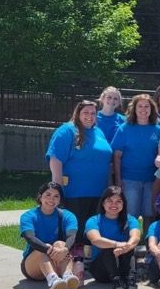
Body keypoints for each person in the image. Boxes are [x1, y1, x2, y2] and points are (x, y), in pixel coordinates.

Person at [46, 99, 113, 260]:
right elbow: (55, 159)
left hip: (98, 192)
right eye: (85, 113)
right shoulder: (67, 131)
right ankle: (72, 263)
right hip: (74, 192)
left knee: (91, 230)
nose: (89, 116)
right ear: (77, 113)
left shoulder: (98, 132)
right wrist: (57, 189)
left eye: (93, 113)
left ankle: (89, 262)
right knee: (75, 230)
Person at [19, 181, 81, 289]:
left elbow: (72, 236)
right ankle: (53, 281)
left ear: (60, 200)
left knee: (61, 244)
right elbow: (30, 238)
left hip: (58, 260)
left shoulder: (68, 216)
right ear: (40, 196)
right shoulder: (28, 216)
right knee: (44, 247)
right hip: (33, 265)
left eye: (56, 196)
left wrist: (65, 249)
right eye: (48, 195)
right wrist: (48, 250)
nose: (51, 199)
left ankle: (67, 276)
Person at [110, 93, 160, 225]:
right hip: (129, 179)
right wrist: (117, 180)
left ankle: (148, 243)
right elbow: (117, 156)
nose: (143, 109)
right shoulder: (125, 129)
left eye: (147, 106)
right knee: (130, 214)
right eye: (140, 106)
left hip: (151, 179)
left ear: (152, 109)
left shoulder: (158, 130)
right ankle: (128, 243)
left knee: (150, 214)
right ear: (134, 108)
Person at [84, 185, 141, 289]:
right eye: (109, 201)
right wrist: (117, 244)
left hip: (123, 267)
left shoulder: (130, 220)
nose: (114, 204)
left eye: (118, 201)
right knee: (108, 247)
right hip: (101, 271)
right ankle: (116, 282)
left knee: (130, 245)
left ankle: (130, 280)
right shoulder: (93, 220)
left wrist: (126, 246)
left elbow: (136, 237)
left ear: (123, 204)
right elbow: (96, 240)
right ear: (103, 203)